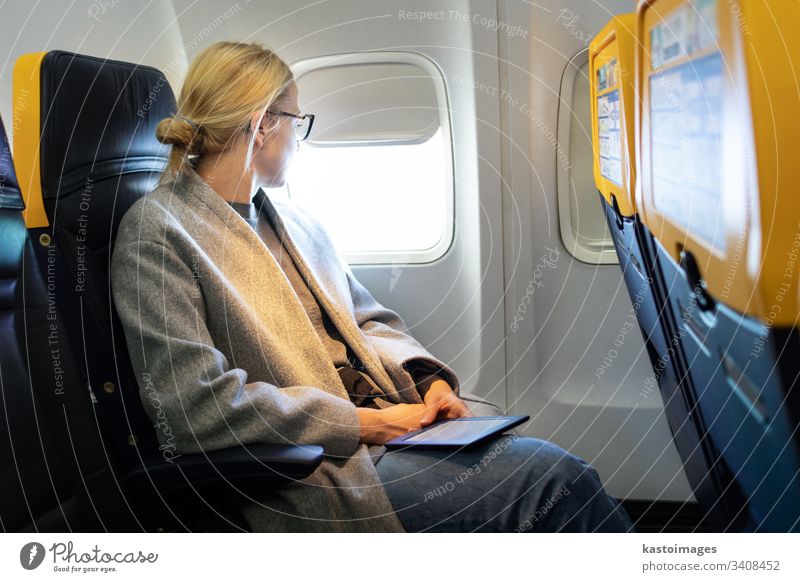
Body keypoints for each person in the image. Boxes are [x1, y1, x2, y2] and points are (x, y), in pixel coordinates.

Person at [111, 40, 633, 533]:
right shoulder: (158, 233)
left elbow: (368, 319)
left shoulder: (294, 222)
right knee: (553, 481)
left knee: (534, 465)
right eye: (298, 120)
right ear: (263, 123)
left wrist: (429, 383)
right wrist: (362, 425)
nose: (299, 136)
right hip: (312, 464)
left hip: (384, 422)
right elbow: (193, 407)